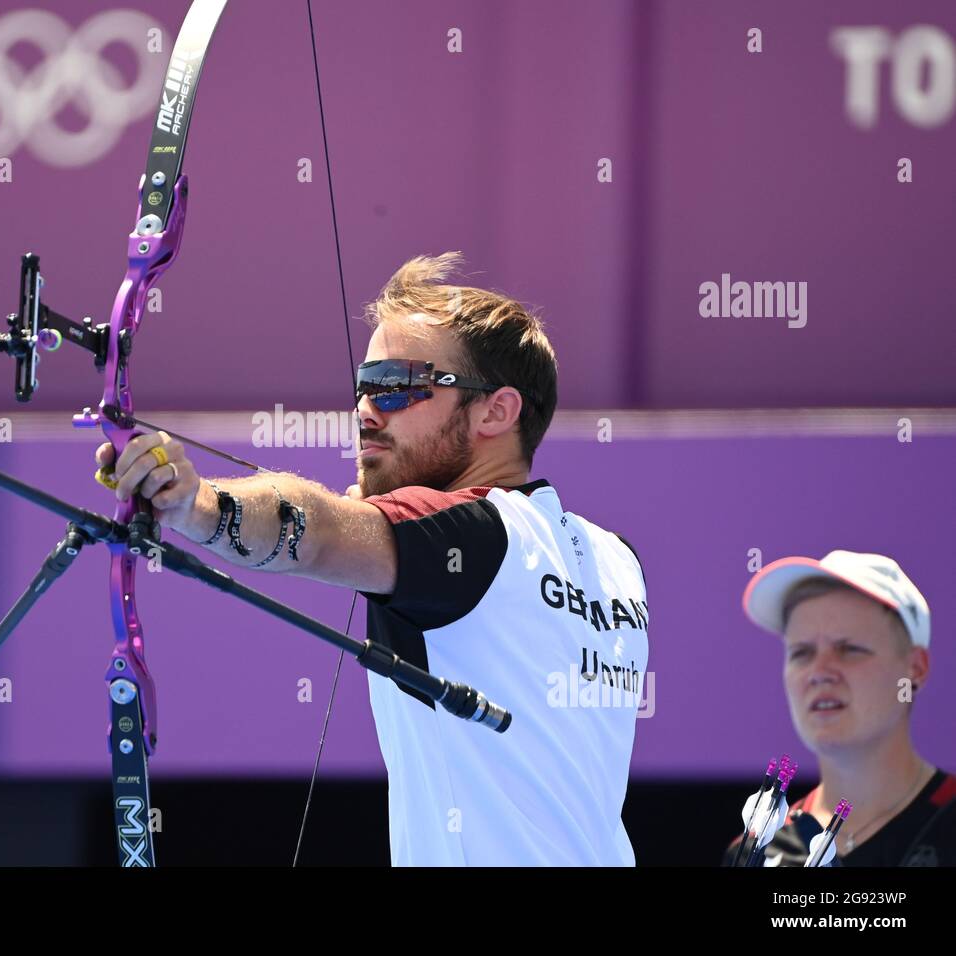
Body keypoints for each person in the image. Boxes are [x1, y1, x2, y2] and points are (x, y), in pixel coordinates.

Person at [97, 252, 648, 865]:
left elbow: (324, 531)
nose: (365, 411)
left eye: (398, 385)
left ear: (497, 409)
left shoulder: (475, 538)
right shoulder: (615, 562)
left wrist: (197, 504)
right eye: (364, 386)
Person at [726, 550, 956, 866]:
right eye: (801, 652)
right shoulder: (755, 851)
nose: (819, 672)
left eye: (849, 648)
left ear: (915, 668)